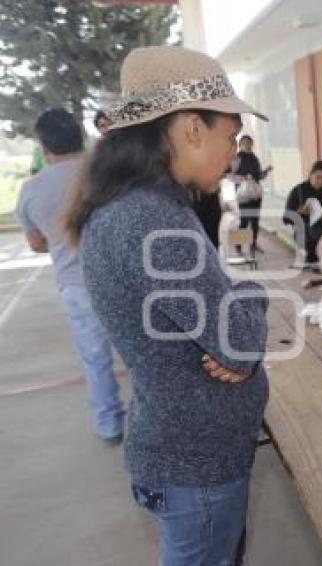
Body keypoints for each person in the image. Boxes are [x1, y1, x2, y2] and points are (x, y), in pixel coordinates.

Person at [64, 45, 269, 566]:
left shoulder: (130, 210)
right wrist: (251, 300)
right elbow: (241, 341)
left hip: (183, 453)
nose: (234, 150)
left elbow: (224, 327)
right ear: (191, 128)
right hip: (197, 466)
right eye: (230, 133)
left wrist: (235, 310)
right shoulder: (152, 222)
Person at [15, 108, 125, 443]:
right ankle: (161, 418)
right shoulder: (107, 173)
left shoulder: (31, 190)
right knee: (144, 352)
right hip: (121, 277)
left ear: (44, 144)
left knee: (95, 360)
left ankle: (110, 425)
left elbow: (36, 244)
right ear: (80, 136)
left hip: (77, 286)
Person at [284, 160, 322, 263]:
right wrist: (299, 212)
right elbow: (286, 219)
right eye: (318, 177)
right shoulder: (298, 191)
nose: (321, 181)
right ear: (310, 175)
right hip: (306, 230)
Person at [230, 134, 271, 254]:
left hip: (255, 193)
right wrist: (243, 178)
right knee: (244, 220)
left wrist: (265, 172)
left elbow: (259, 176)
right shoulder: (236, 159)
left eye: (249, 143)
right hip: (243, 194)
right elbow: (230, 176)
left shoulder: (254, 158)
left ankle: (253, 244)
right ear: (240, 145)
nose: (247, 145)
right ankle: (238, 245)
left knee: (255, 220)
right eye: (244, 143)